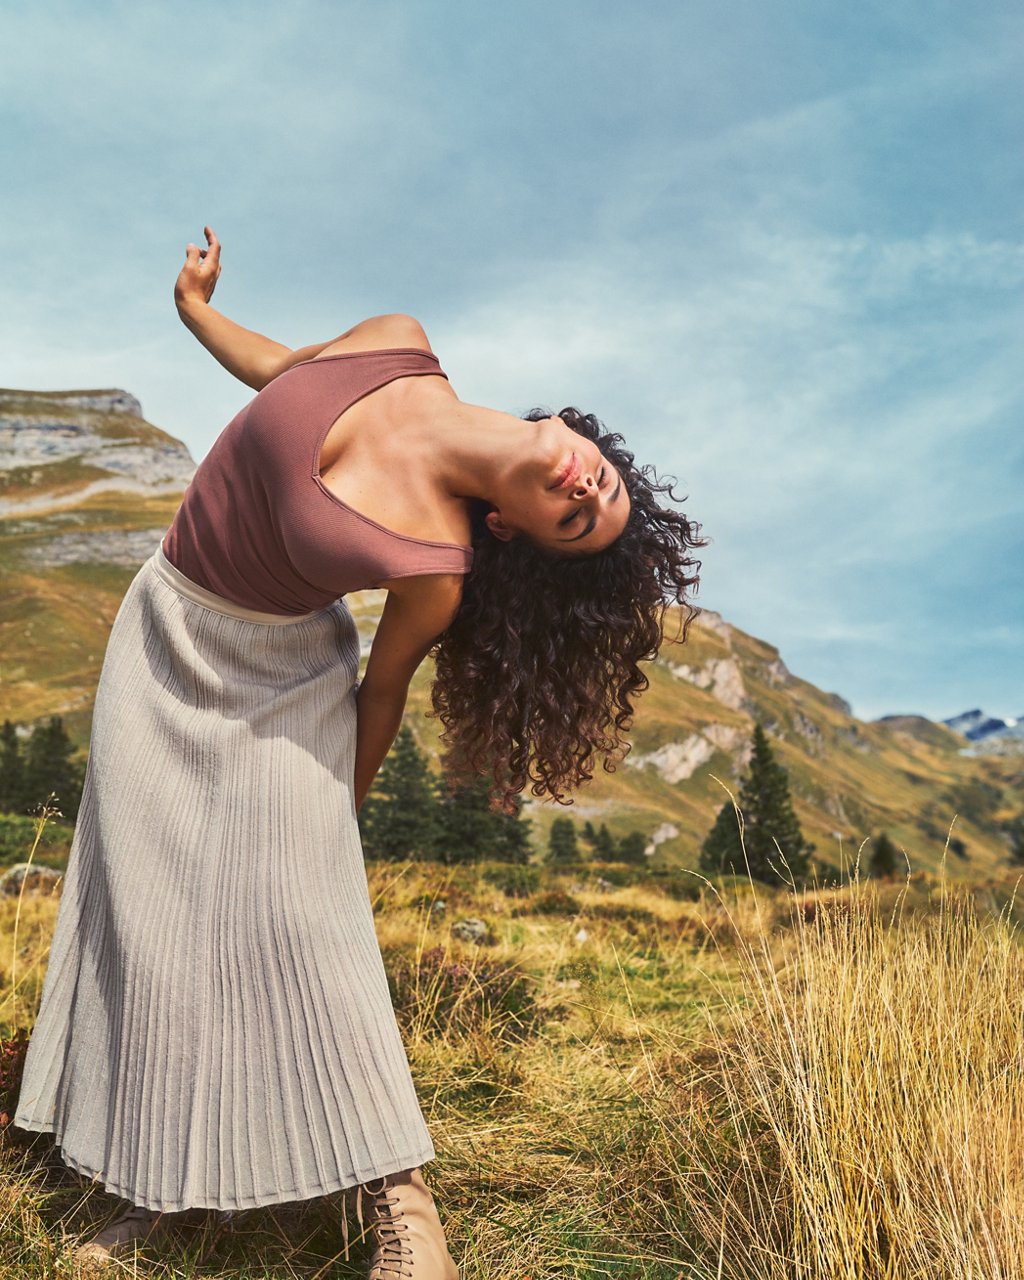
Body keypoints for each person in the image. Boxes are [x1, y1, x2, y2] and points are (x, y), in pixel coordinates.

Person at [13, 227, 705, 1276]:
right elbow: (282, 372)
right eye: (600, 485)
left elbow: (381, 691)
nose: (584, 493)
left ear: (514, 531)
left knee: (306, 917)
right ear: (575, 432)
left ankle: (403, 1204)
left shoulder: (439, 568)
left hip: (288, 677)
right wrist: (196, 311)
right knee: (146, 909)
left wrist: (335, 815)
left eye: (579, 519)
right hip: (165, 634)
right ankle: (157, 1185)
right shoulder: (399, 341)